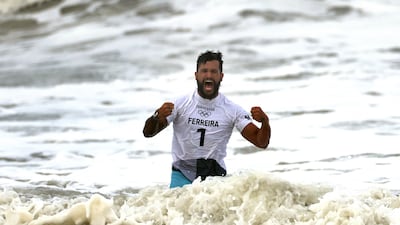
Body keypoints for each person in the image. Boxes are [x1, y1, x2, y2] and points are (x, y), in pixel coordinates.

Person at [143, 50, 271, 188]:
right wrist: (156, 117)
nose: (208, 75)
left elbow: (261, 142)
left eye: (213, 71)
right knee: (176, 209)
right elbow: (148, 133)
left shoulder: (232, 110)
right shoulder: (179, 104)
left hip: (214, 178)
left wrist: (265, 122)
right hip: (183, 174)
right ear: (196, 75)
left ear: (221, 76)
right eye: (204, 71)